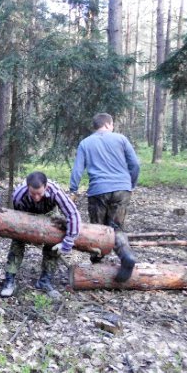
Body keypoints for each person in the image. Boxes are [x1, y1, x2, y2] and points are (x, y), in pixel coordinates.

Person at [69, 113, 139, 280]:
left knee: (98, 229)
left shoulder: (85, 143)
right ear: (108, 124)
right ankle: (126, 256)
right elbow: (135, 164)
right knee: (116, 228)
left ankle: (97, 261)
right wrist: (131, 184)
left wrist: (73, 190)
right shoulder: (121, 139)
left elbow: (78, 169)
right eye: (112, 125)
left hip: (98, 191)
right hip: (122, 189)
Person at [0, 171, 81, 300]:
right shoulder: (18, 195)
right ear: (27, 188)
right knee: (17, 244)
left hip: (49, 215)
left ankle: (45, 280)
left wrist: (68, 241)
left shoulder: (56, 192)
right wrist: (28, 234)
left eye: (39, 193)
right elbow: (16, 217)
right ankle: (9, 280)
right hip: (26, 216)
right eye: (33, 194)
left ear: (46, 187)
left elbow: (72, 214)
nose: (36, 197)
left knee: (54, 244)